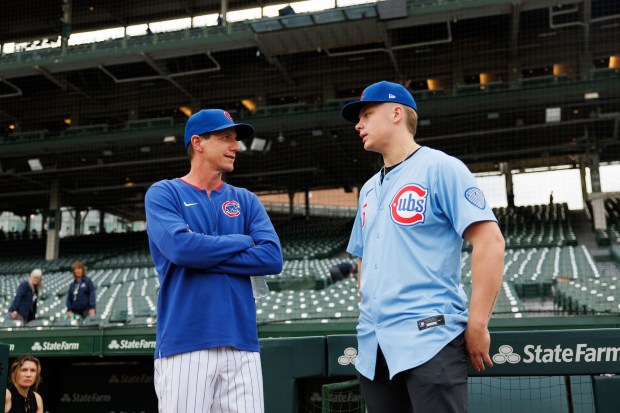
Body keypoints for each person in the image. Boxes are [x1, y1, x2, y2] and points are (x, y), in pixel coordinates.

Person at [341, 80, 505, 412]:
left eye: (367, 114)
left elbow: (489, 241)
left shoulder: (441, 168)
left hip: (430, 339)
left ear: (396, 113)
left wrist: (477, 323)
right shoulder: (370, 189)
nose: (359, 124)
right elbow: (363, 260)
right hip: (376, 347)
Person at [145, 108, 283, 413]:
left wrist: (201, 255)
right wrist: (242, 240)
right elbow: (182, 250)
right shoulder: (164, 193)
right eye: (226, 138)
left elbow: (272, 258)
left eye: (235, 139)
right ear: (198, 142)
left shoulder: (245, 199)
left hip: (242, 342)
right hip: (185, 343)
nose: (235, 146)